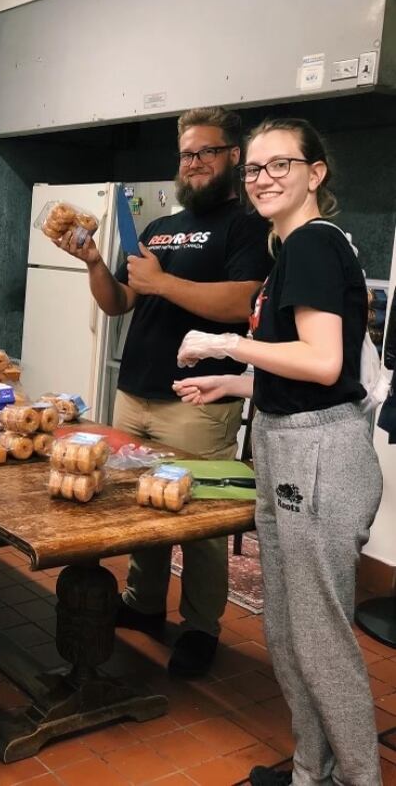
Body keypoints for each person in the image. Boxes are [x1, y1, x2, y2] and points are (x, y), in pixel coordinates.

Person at [175, 118, 383, 786]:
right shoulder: (291, 250)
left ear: (315, 173)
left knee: (320, 645)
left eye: (280, 165)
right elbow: (299, 365)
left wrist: (225, 343)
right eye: (254, 169)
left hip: (319, 457)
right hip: (291, 447)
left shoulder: (316, 246)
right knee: (291, 637)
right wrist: (237, 381)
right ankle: (308, 773)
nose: (262, 179)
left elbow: (324, 363)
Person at [53, 106, 270, 677]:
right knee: (139, 509)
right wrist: (95, 262)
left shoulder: (247, 226)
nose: (194, 163)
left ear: (233, 156)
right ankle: (144, 605)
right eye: (186, 154)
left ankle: (201, 627)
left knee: (198, 520)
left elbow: (242, 304)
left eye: (206, 152)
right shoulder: (156, 228)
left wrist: (164, 282)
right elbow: (120, 301)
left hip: (198, 400)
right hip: (136, 389)